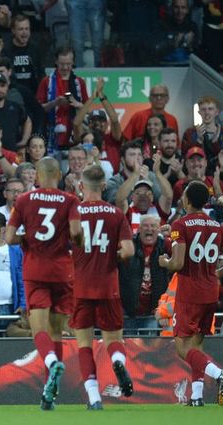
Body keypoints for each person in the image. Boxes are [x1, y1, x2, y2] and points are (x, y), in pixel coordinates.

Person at [5, 156, 83, 410]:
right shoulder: (71, 200)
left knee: (39, 330)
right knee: (56, 332)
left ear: (37, 176)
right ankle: (51, 395)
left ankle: (51, 363)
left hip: (36, 271)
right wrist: (72, 243)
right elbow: (76, 233)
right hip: (63, 271)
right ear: (58, 176)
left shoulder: (24, 200)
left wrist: (28, 236)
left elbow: (9, 238)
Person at [159, 181, 223, 407]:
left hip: (189, 293)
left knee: (182, 348)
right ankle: (196, 396)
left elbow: (176, 263)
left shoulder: (180, 224)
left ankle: (220, 374)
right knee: (197, 345)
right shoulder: (215, 226)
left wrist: (164, 261)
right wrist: (216, 274)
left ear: (186, 200)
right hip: (210, 293)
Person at [69, 165, 134, 409]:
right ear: (104, 186)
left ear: (81, 186)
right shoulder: (116, 214)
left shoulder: (73, 212)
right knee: (114, 339)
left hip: (81, 286)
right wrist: (109, 256)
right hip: (108, 286)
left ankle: (94, 397)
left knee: (84, 344)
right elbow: (128, 251)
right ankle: (118, 360)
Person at [119, 215, 171, 333]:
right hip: (129, 311)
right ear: (139, 229)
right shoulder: (129, 245)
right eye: (145, 226)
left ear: (158, 230)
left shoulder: (164, 245)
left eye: (153, 226)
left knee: (149, 349)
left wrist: (173, 234)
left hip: (152, 312)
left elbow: (182, 250)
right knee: (129, 347)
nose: (149, 229)